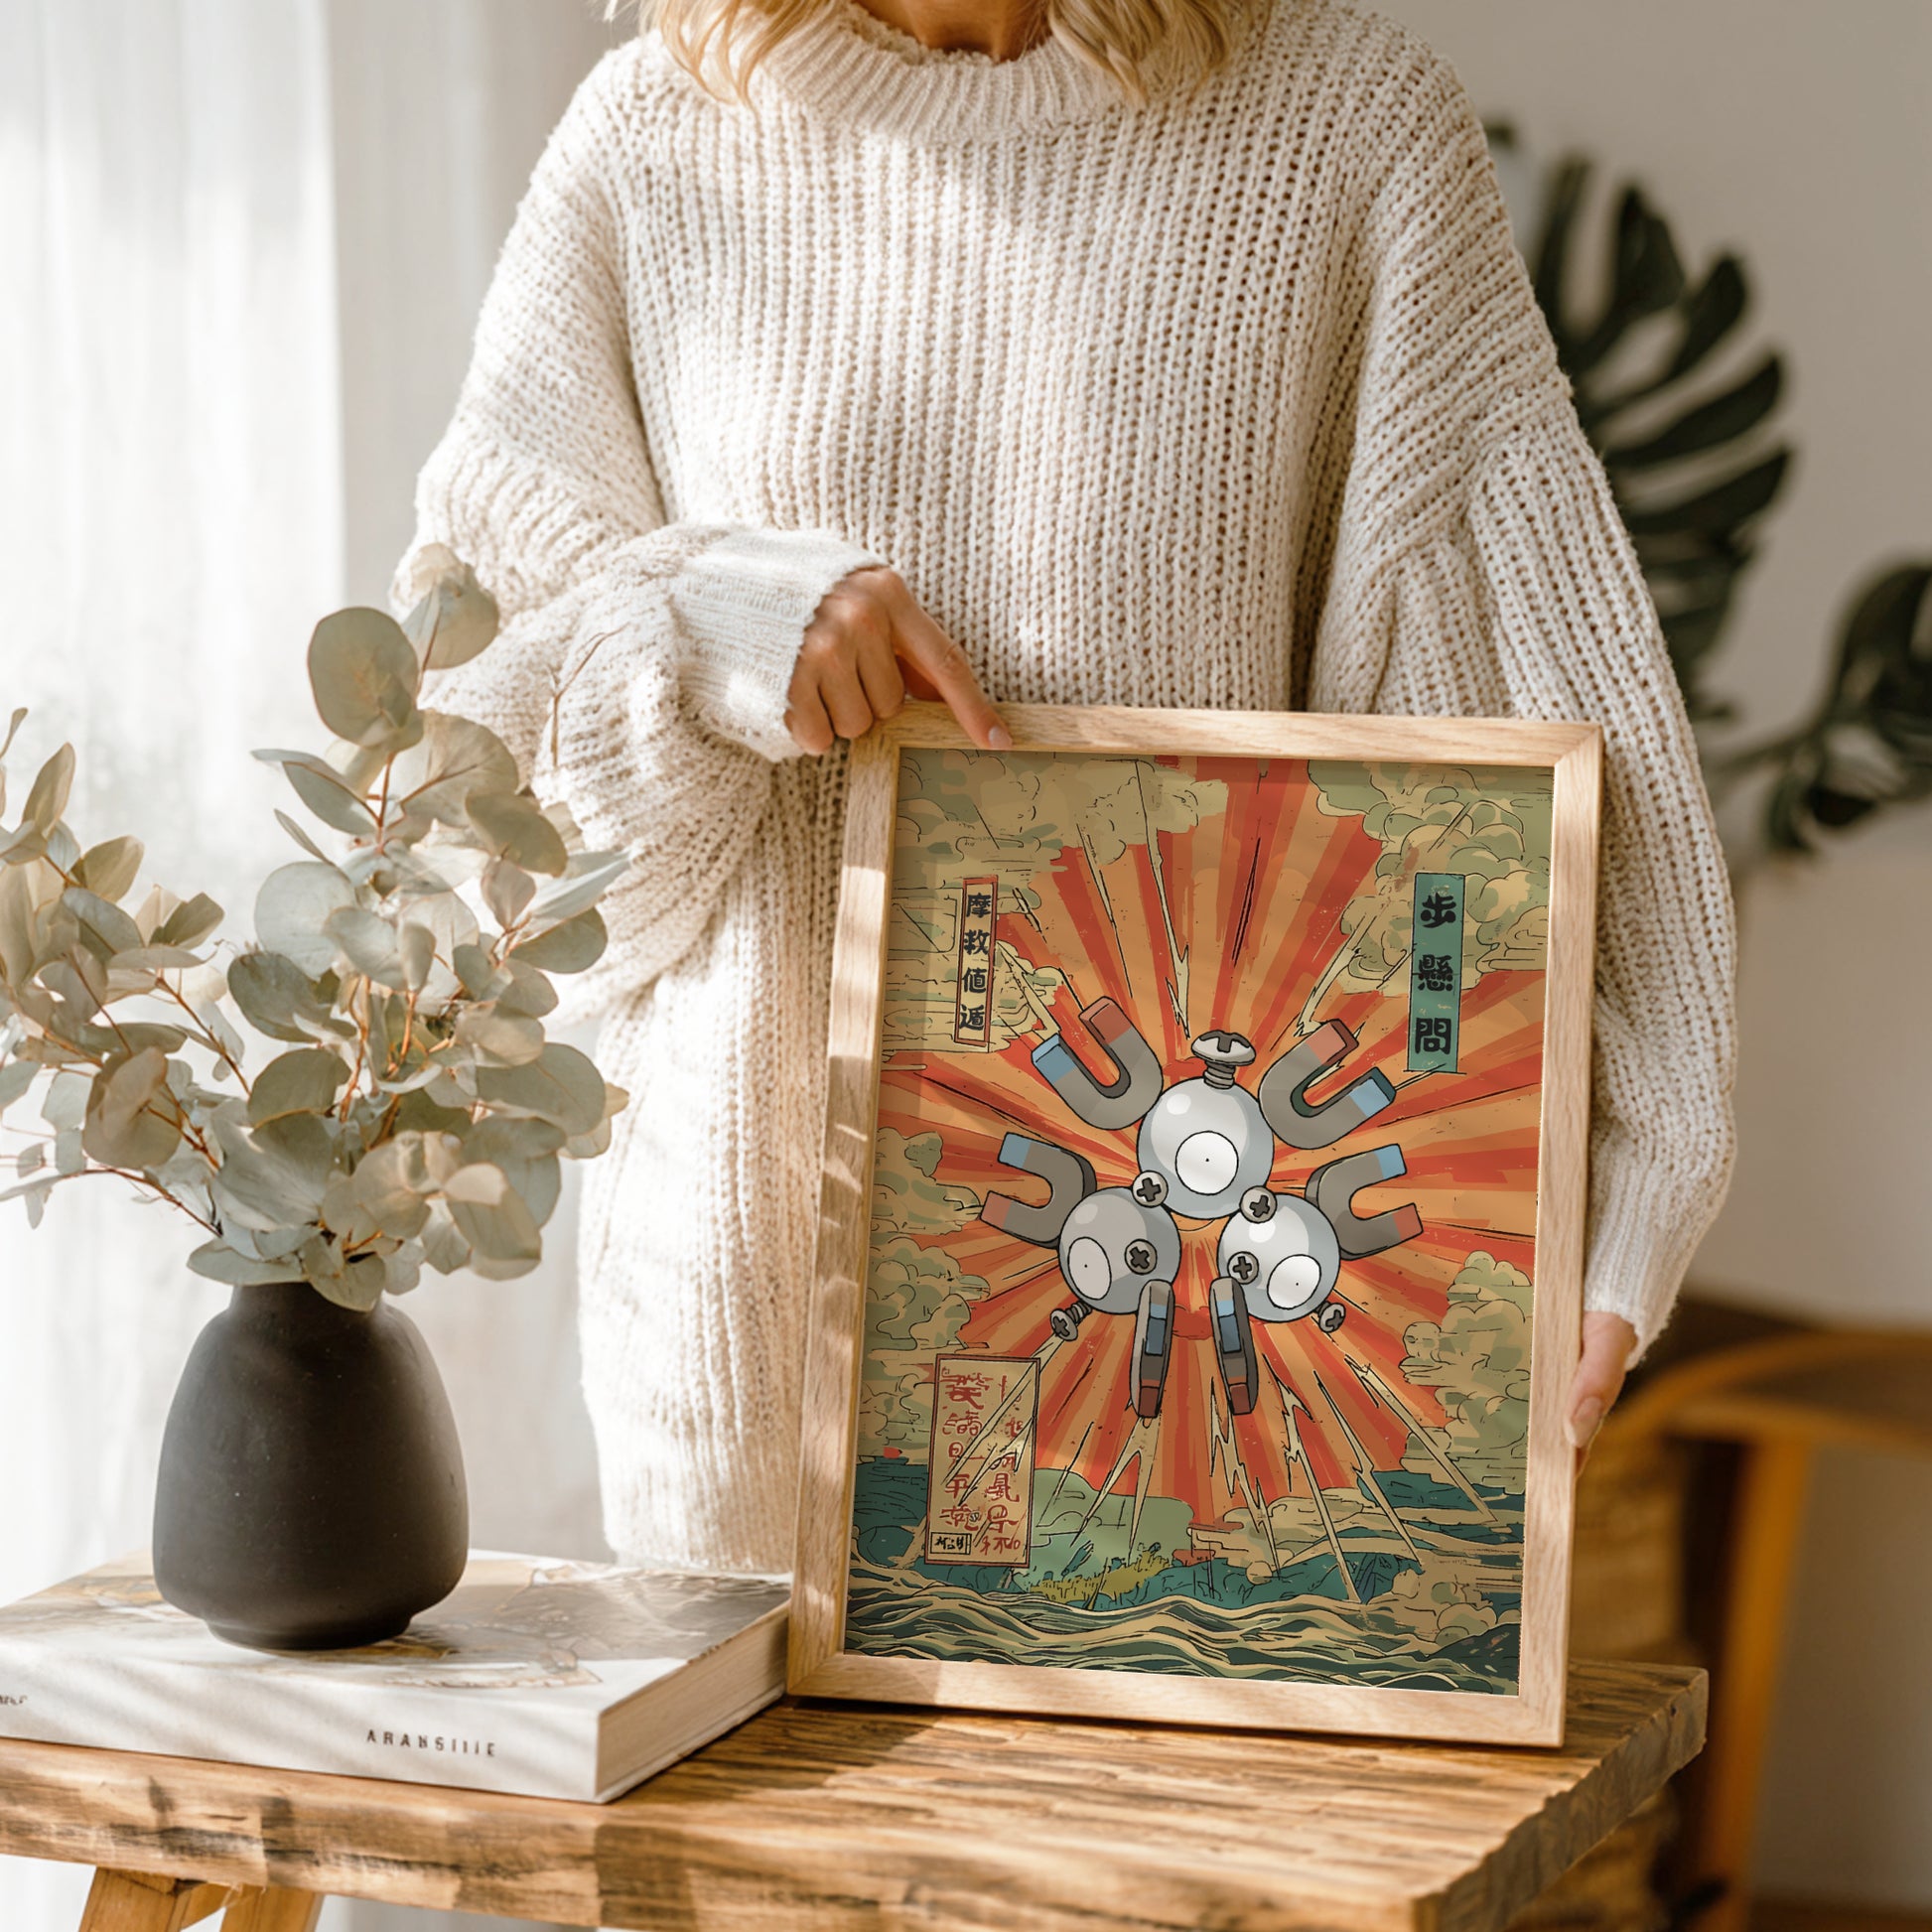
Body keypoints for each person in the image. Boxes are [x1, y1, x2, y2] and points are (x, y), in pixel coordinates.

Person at [394, 0, 1735, 1577]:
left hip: (1203, 1366)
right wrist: (705, 621)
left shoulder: (1343, 128)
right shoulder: (649, 141)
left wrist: (1626, 1169)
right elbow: (465, 818)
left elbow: (1516, 693)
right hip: (743, 1346)